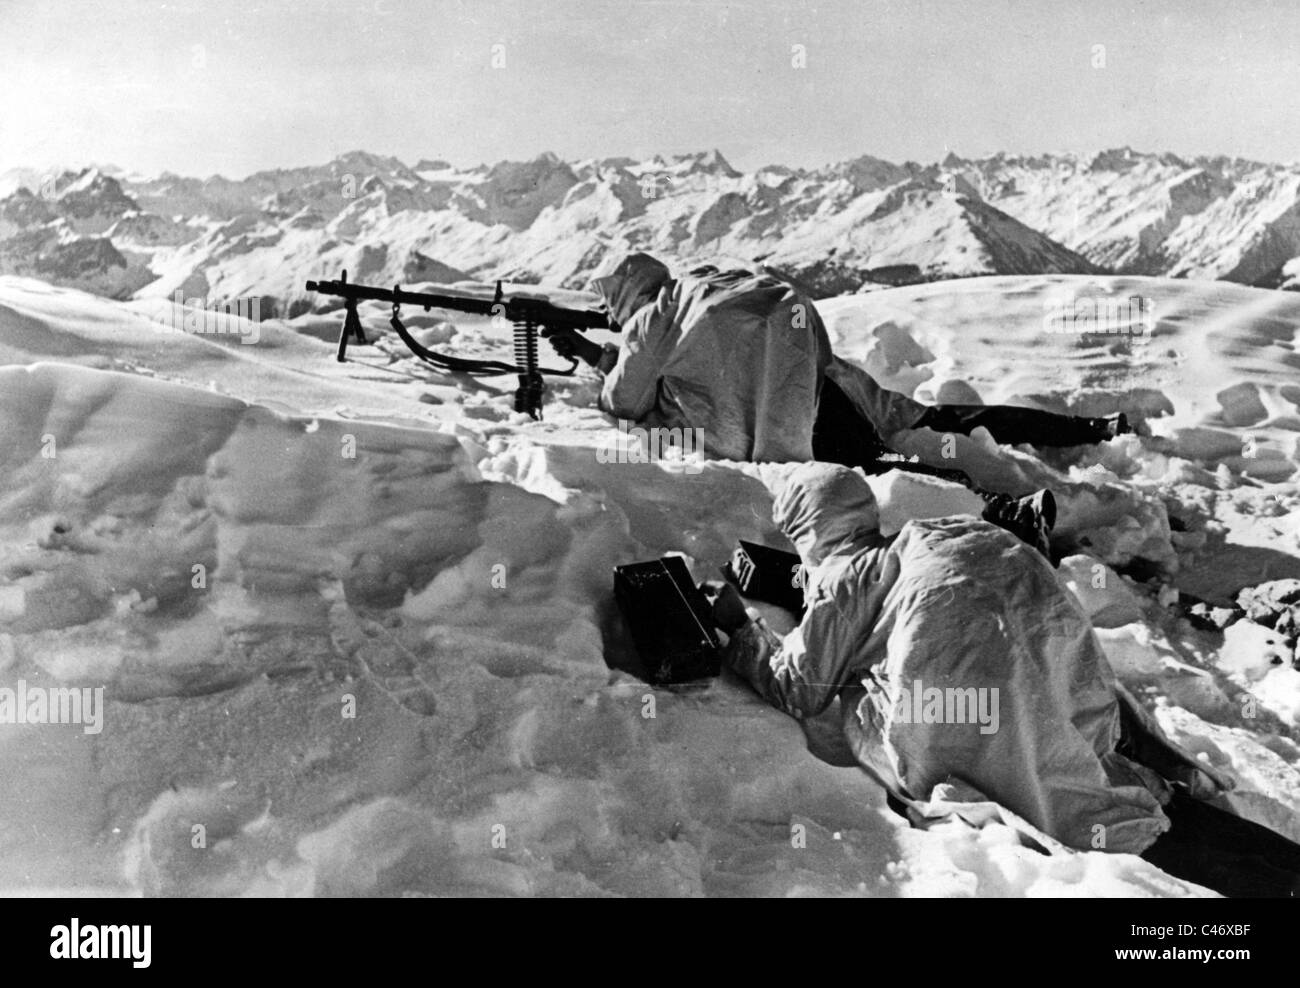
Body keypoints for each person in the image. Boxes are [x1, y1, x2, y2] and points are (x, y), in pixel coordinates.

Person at [704, 461, 1232, 856]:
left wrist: (738, 629)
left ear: (807, 532)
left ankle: (1033, 779)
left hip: (966, 714)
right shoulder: (937, 532)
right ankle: (1116, 755)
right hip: (1064, 674)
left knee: (858, 700)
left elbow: (798, 685)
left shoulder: (845, 574)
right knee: (1048, 710)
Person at [547, 252, 1128, 555]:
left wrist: (601, 363)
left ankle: (994, 512)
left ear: (626, 294)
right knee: (892, 454)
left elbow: (625, 402)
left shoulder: (652, 319)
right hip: (823, 391)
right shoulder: (706, 281)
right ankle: (1011, 494)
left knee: (871, 481)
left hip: (778, 426)